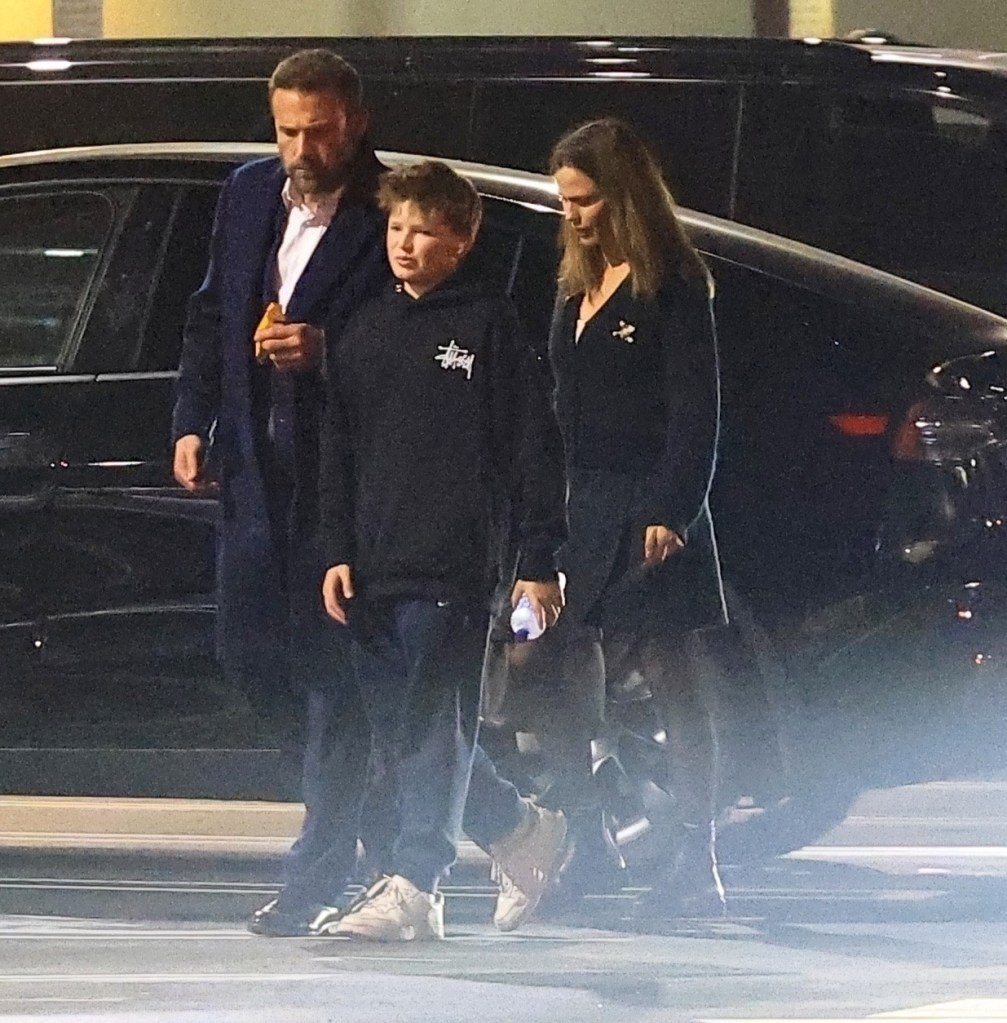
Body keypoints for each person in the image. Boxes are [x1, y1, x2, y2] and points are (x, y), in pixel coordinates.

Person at [317, 160, 569, 941]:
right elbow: (339, 449)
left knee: (434, 726)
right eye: (395, 226)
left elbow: (532, 447)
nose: (404, 241)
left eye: (423, 228)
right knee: (406, 734)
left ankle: (416, 885)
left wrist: (536, 559)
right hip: (373, 564)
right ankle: (522, 831)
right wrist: (336, 548)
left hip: (454, 563)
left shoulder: (488, 327)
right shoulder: (364, 327)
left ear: (461, 239)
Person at [171, 48, 390, 937]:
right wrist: (192, 416)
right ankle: (483, 811)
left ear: (356, 124)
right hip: (255, 481)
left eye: (320, 131)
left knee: (335, 684)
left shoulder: (394, 210)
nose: (302, 148)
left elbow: (416, 338)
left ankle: (319, 874)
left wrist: (326, 351)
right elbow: (212, 308)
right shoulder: (249, 191)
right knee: (252, 656)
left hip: (347, 486)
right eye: (287, 130)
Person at [544, 118, 729, 911]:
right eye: (565, 203)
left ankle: (696, 853)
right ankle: (587, 839)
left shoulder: (672, 286)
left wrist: (671, 504)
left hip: (645, 500)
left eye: (584, 201)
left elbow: (697, 411)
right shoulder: (573, 286)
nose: (574, 216)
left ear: (623, 197)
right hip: (578, 503)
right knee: (552, 669)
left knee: (670, 674)